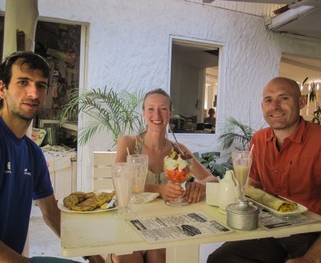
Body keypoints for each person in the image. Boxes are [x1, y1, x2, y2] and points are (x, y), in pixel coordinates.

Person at [0, 51, 103, 263]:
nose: (33, 93)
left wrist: (92, 253)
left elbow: (51, 213)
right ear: (2, 89)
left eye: (40, 85)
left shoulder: (33, 153)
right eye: (23, 82)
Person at [207, 77, 321, 263]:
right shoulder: (259, 140)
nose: (275, 106)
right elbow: (253, 186)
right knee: (221, 259)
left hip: (312, 234)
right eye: (268, 100)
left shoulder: (318, 140)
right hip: (270, 229)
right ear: (263, 106)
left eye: (284, 98)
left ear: (301, 102)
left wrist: (311, 258)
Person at [110, 88, 218, 263]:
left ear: (170, 113)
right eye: (151, 109)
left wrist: (200, 185)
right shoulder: (129, 143)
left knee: (159, 257)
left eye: (163, 109)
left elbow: (212, 179)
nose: (157, 114)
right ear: (143, 113)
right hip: (129, 222)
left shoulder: (179, 150)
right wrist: (159, 190)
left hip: (163, 227)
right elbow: (121, 180)